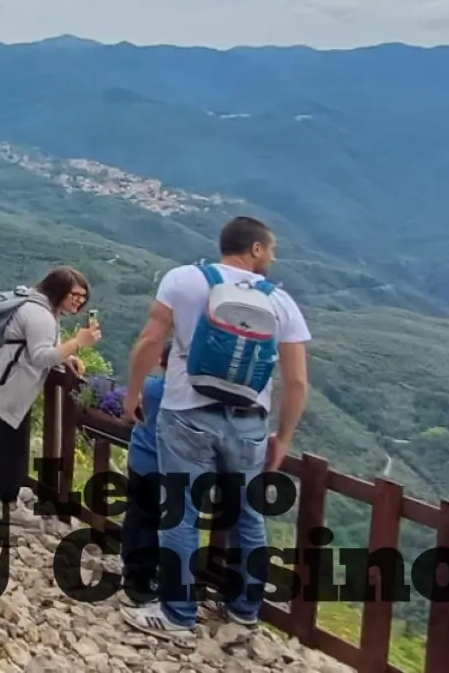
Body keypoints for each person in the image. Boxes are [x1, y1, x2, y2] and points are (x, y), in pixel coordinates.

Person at [121, 216, 311, 643]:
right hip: (249, 424)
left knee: (181, 514)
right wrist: (284, 437)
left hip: (186, 413)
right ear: (255, 249)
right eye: (271, 249)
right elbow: (297, 383)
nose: (274, 257)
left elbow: (151, 341)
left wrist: (134, 393)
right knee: (249, 517)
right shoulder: (281, 301)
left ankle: (178, 614)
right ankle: (245, 611)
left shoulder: (184, 280)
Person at [0, 266, 99, 525]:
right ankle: (9, 501)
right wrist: (78, 343)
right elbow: (40, 357)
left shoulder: (39, 306)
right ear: (58, 289)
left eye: (83, 298)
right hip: (11, 383)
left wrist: (67, 356)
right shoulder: (40, 314)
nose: (79, 301)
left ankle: (0, 489)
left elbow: (43, 347)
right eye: (75, 294)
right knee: (14, 444)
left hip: (3, 378)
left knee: (4, 439)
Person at [119, 347, 171, 606]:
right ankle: (142, 580)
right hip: (161, 467)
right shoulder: (179, 396)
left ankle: (129, 564)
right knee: (153, 522)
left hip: (138, 459)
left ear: (161, 361)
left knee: (136, 513)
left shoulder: (149, 386)